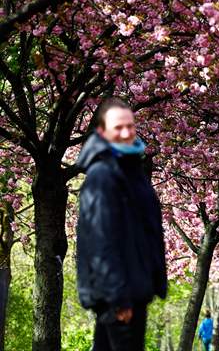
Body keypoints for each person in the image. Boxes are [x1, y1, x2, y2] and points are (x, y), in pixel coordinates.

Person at [76, 98, 167, 351]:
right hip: (119, 295)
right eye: (118, 128)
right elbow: (101, 241)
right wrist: (118, 297)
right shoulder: (103, 175)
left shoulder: (128, 169)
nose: (126, 133)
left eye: (130, 126)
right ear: (102, 132)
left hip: (131, 289)